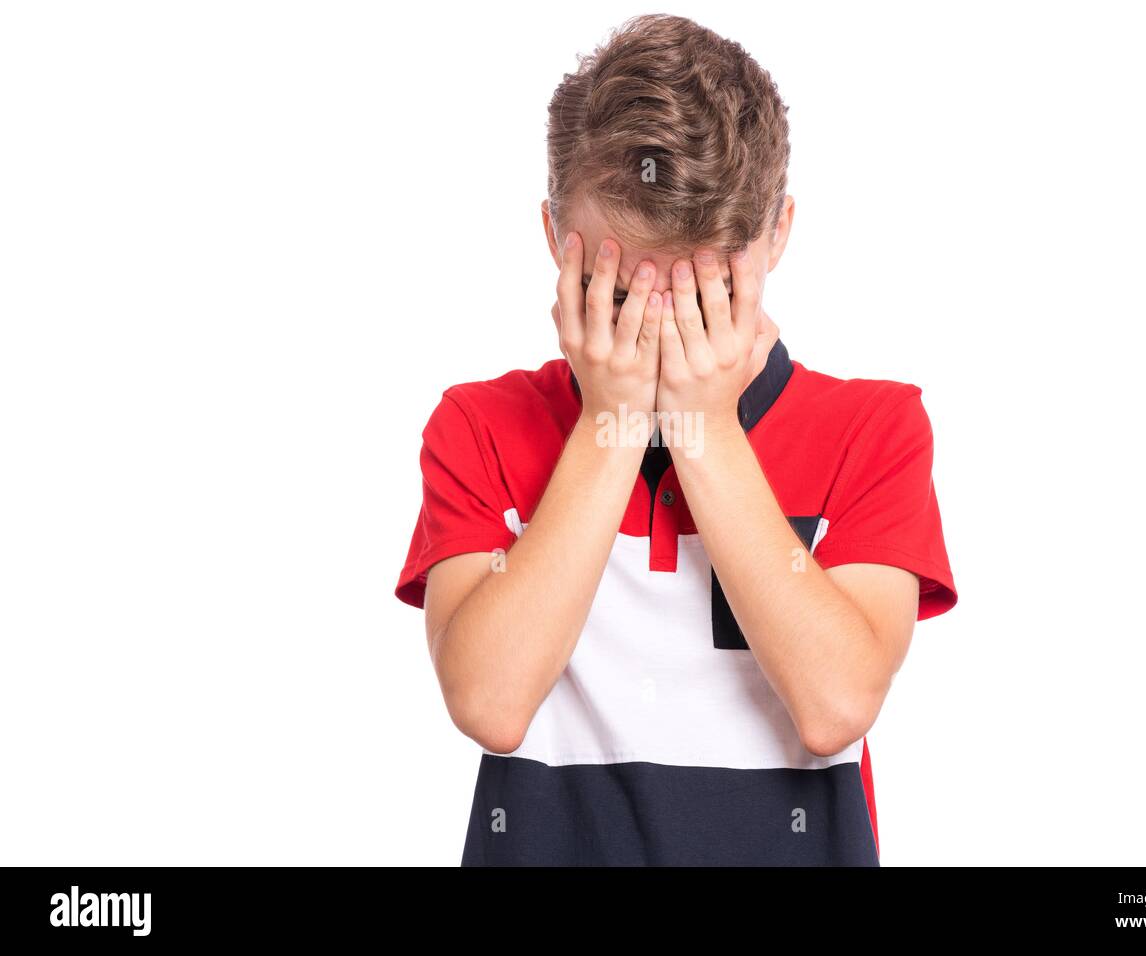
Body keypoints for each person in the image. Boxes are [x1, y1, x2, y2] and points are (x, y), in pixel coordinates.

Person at [394, 13, 957, 866]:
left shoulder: (875, 430)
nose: (662, 326)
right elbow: (489, 704)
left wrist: (704, 428)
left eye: (705, 289)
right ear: (556, 238)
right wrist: (608, 423)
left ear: (776, 234)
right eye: (620, 284)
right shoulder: (478, 426)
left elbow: (836, 704)